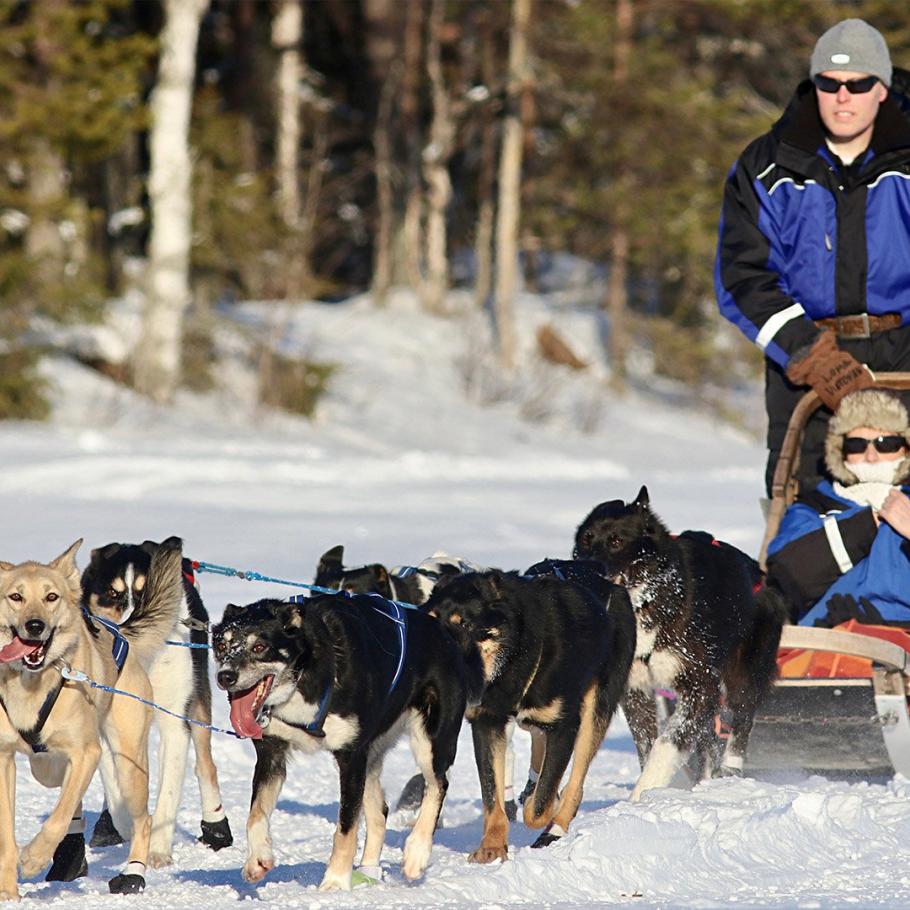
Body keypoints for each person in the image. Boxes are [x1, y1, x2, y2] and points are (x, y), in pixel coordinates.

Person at [714, 18, 910, 496]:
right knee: (802, 519)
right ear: (815, 85)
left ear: (881, 89)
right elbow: (743, 279)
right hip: (805, 366)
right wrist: (811, 356)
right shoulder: (768, 167)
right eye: (830, 83)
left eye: (858, 83)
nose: (843, 96)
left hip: (902, 352)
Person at [766, 389, 910, 627]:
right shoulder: (813, 507)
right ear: (840, 453)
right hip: (829, 637)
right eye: (856, 445)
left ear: (905, 449)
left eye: (887, 443)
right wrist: (868, 523)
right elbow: (787, 577)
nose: (871, 456)